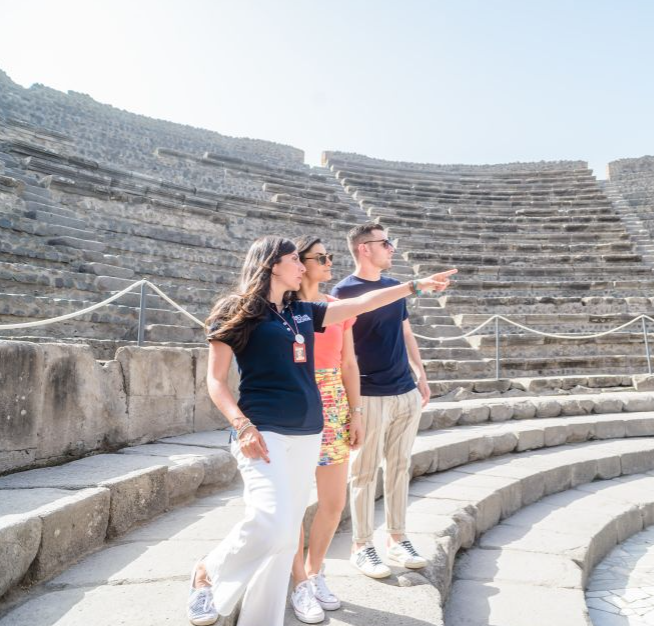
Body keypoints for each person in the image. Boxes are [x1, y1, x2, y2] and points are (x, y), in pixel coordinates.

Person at [185, 235, 455, 626]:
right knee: (272, 522)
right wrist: (241, 425)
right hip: (263, 431)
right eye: (295, 260)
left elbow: (362, 303)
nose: (302, 266)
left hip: (309, 432)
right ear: (272, 264)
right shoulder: (236, 310)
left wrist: (414, 286)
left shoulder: (302, 312)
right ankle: (207, 572)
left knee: (285, 536)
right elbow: (215, 380)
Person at [331, 222, 435, 579]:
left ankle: (397, 538)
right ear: (364, 248)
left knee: (400, 467)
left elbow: (406, 332)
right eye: (385, 243)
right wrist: (352, 404)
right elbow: (342, 350)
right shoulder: (343, 292)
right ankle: (361, 545)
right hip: (369, 393)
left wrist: (420, 373)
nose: (392, 248)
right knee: (364, 471)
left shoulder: (394, 287)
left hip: (404, 390)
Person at [288, 235, 363, 623]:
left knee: (333, 502)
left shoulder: (337, 308)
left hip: (333, 399)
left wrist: (356, 412)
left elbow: (349, 363)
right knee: (294, 502)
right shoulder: (282, 309)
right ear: (300, 264)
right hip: (296, 398)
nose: (329, 262)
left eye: (330, 256)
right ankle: (298, 580)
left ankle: (315, 571)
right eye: (321, 257)